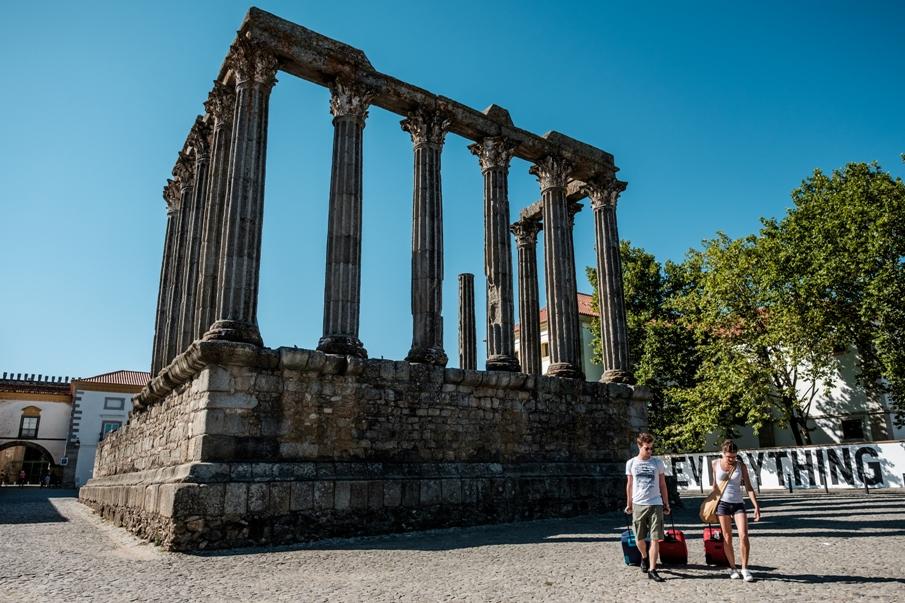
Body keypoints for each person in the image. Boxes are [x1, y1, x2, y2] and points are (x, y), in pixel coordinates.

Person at [711, 439, 762, 582]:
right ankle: (733, 568)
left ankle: (745, 568)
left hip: (738, 503)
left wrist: (756, 505)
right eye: (729, 457)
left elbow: (749, 487)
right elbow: (714, 487)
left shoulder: (741, 466)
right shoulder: (715, 464)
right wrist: (711, 506)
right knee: (727, 537)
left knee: (744, 535)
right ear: (723, 453)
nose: (732, 459)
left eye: (734, 456)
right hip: (722, 504)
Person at [625, 432, 671, 582]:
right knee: (639, 537)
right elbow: (630, 485)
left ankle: (653, 569)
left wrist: (666, 503)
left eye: (651, 448)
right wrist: (629, 504)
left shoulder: (657, 463)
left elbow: (663, 485)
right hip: (638, 504)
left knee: (655, 538)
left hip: (656, 503)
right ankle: (644, 557)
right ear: (639, 446)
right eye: (647, 448)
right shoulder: (631, 463)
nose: (650, 451)